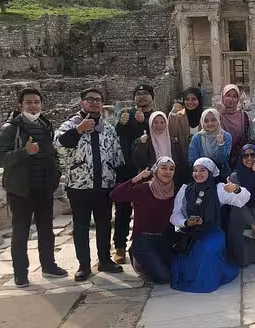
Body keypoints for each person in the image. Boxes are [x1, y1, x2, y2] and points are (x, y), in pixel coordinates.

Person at [0, 88, 67, 287]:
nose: (33, 106)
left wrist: (56, 172)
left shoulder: (45, 126)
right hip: (20, 190)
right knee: (20, 232)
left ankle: (49, 265)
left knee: (46, 230)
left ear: (41, 104)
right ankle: (21, 273)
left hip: (43, 188)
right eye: (29, 102)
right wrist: (24, 152)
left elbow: (52, 153)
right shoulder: (10, 129)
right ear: (20, 106)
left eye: (36, 102)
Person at [54, 88, 125, 281]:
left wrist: (117, 179)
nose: (94, 103)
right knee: (81, 226)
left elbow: (116, 154)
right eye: (90, 99)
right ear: (82, 102)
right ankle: (84, 265)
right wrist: (79, 130)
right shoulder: (70, 125)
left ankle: (105, 259)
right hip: (79, 186)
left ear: (102, 104)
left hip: (104, 185)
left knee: (104, 224)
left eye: (98, 100)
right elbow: (59, 146)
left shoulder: (107, 128)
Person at [170, 157, 251, 293]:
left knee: (206, 250)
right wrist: (186, 222)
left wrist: (236, 188)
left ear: (210, 172)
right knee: (182, 258)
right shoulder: (186, 190)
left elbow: (244, 198)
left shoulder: (219, 189)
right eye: (195, 170)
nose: (198, 173)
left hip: (212, 232)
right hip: (191, 233)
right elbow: (174, 215)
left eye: (203, 170)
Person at [110, 156, 176, 283]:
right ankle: (136, 256)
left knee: (176, 272)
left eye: (171, 169)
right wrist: (136, 178)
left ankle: (151, 262)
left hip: (164, 239)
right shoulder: (144, 188)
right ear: (156, 170)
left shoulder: (174, 190)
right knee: (164, 278)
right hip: (143, 240)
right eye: (163, 168)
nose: (167, 172)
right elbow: (115, 195)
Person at [113, 83, 155, 264]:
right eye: (138, 94)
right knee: (122, 208)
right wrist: (120, 122)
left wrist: (144, 123)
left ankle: (145, 244)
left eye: (146, 93)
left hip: (148, 169)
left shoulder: (155, 116)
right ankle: (120, 246)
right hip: (127, 168)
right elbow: (116, 132)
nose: (142, 97)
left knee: (148, 209)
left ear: (152, 97)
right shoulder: (125, 114)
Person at [133, 111, 189, 189]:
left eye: (162, 122)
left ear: (166, 123)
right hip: (151, 182)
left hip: (172, 182)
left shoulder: (174, 141)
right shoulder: (145, 141)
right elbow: (139, 162)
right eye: (155, 122)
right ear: (150, 124)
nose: (159, 125)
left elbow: (180, 163)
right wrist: (142, 144)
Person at [188, 108, 233, 181]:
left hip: (221, 174)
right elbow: (192, 160)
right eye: (206, 121)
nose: (210, 123)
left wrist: (220, 144)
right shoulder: (197, 138)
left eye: (213, 120)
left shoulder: (226, 136)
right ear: (202, 122)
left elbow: (222, 160)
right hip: (201, 175)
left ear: (218, 121)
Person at [219, 84, 250, 170]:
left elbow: (247, 136)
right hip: (221, 160)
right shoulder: (216, 116)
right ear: (223, 97)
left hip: (240, 158)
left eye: (235, 96)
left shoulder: (243, 115)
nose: (231, 99)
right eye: (228, 95)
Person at [169, 87, 204, 164]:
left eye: (194, 99)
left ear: (199, 100)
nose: (190, 102)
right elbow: (173, 134)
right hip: (184, 159)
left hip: (202, 160)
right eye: (187, 99)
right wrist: (173, 114)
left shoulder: (205, 116)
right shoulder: (178, 116)